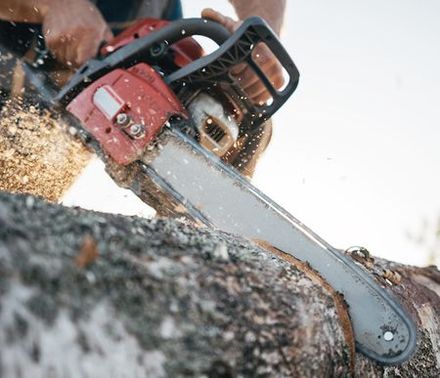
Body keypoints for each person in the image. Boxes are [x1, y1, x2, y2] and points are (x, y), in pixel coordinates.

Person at [0, 0, 286, 177]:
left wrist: (260, 38)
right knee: (25, 152)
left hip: (123, 59)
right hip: (16, 48)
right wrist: (54, 4)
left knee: (243, 113)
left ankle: (189, 244)